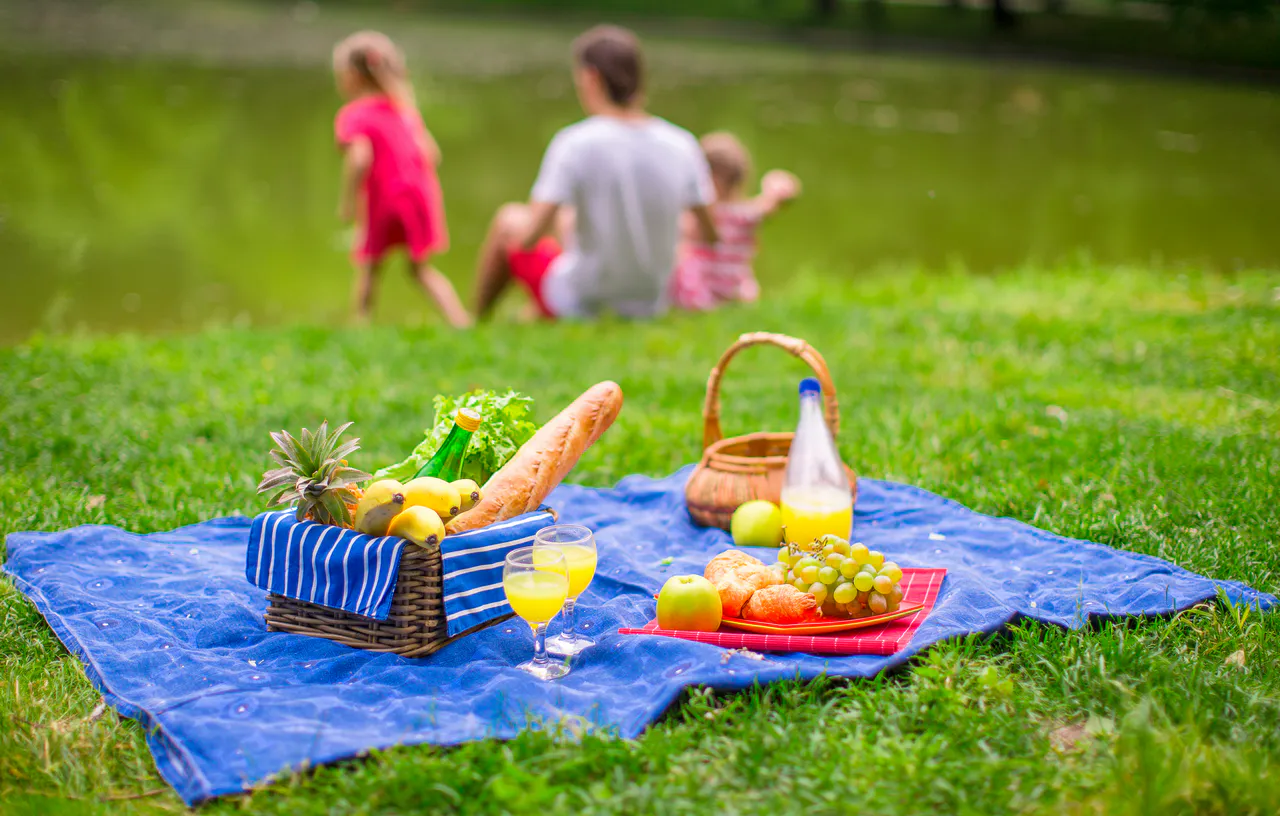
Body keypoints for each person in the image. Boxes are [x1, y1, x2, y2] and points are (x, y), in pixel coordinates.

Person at [473, 25, 718, 321]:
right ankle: (527, 316)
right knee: (571, 222)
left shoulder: (575, 142)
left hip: (583, 303)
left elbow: (528, 238)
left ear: (591, 78)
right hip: (652, 303)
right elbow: (710, 234)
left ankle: (475, 320)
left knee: (509, 220)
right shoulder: (682, 143)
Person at [332, 31, 470, 328]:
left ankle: (359, 324)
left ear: (353, 76)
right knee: (420, 269)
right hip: (417, 196)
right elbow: (432, 154)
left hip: (383, 199)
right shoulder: (404, 109)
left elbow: (359, 159)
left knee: (369, 267)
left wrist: (347, 202)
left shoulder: (354, 115)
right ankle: (460, 321)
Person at [670, 132, 801, 311]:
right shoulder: (746, 214)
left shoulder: (699, 215)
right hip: (735, 287)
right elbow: (782, 194)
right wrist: (775, 183)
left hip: (701, 288)